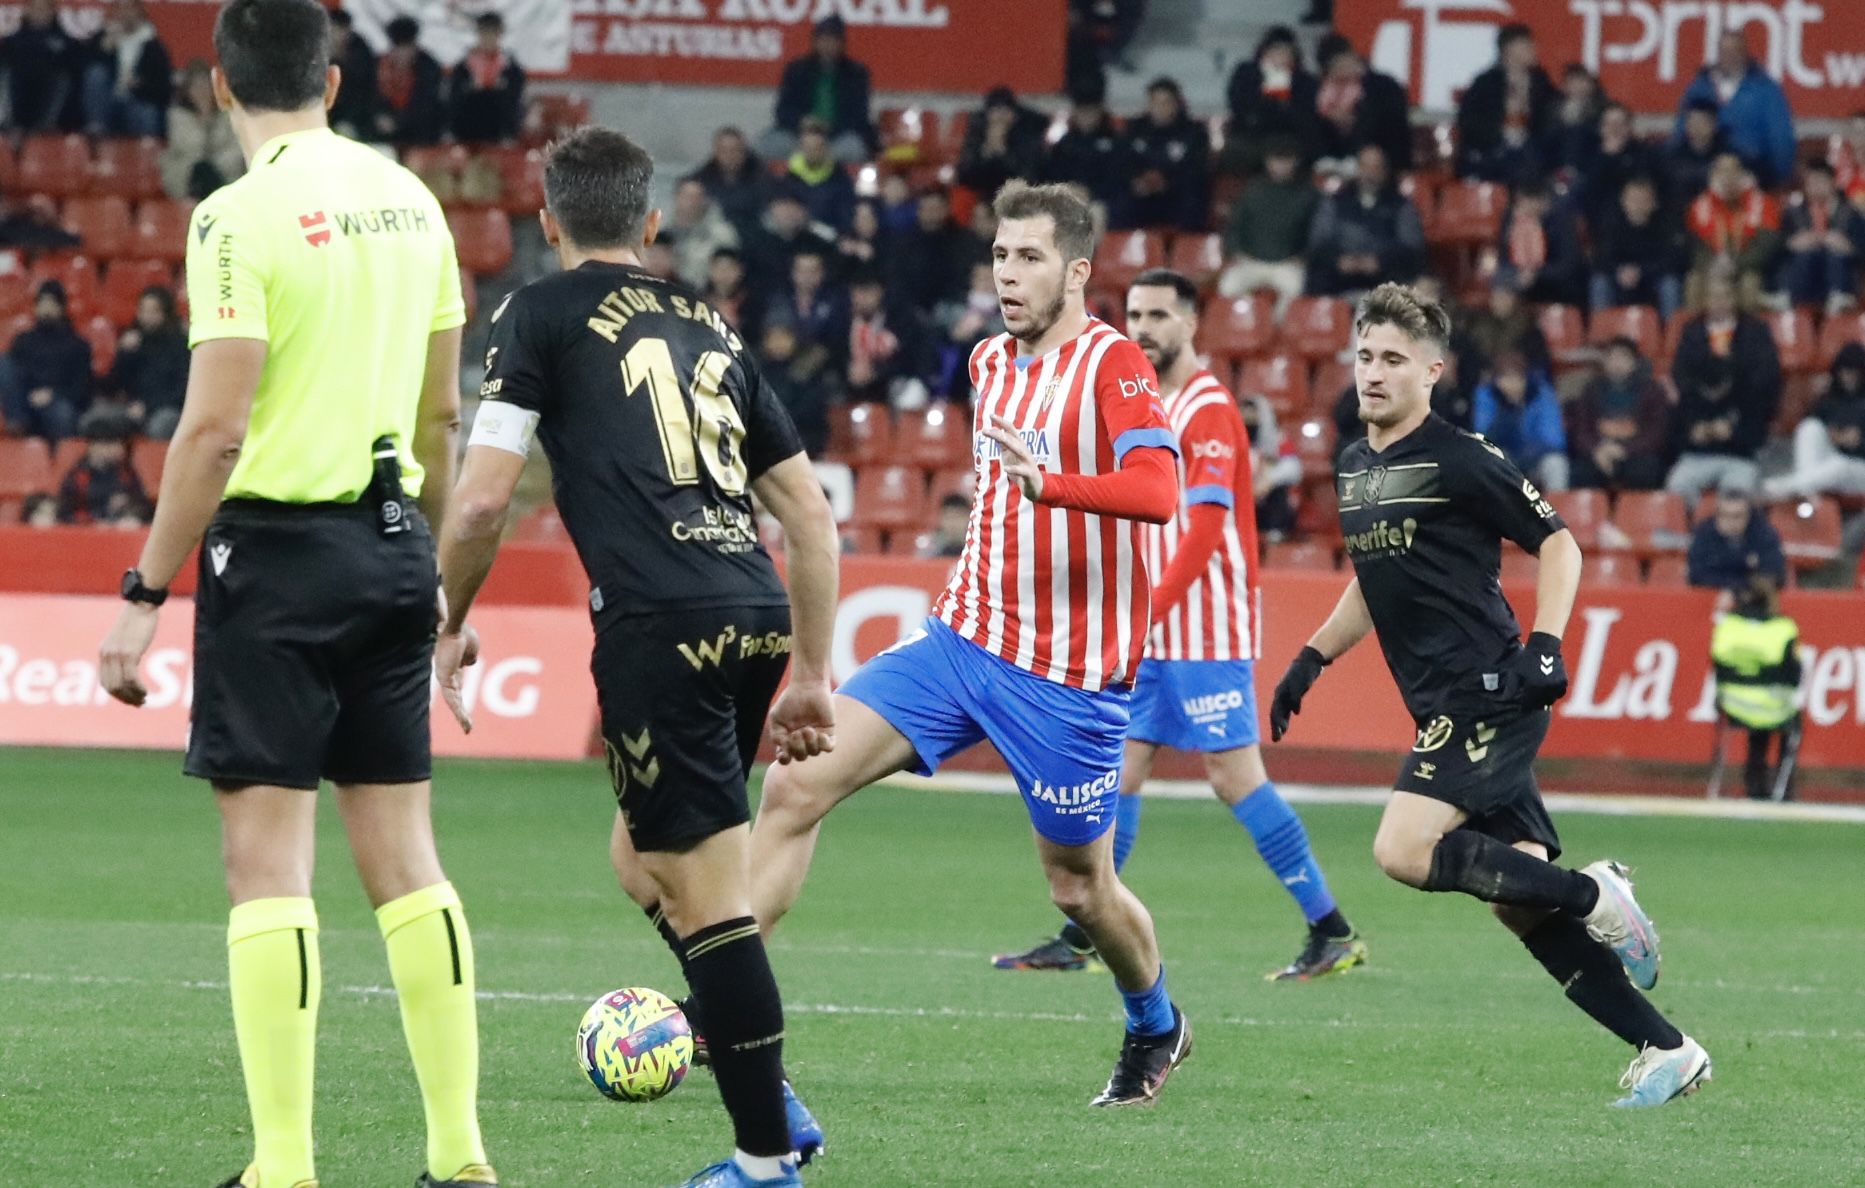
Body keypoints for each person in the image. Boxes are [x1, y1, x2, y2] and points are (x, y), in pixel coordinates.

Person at [91, 4, 492, 1184]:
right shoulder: (412, 200)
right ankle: (459, 1156)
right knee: (406, 859)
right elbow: (439, 416)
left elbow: (214, 432)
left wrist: (143, 591)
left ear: (220, 88)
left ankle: (281, 1166)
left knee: (268, 865)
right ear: (329, 79)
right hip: (390, 546)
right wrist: (436, 578)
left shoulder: (235, 216)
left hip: (274, 559)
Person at [436, 126, 837, 1188]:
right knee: (638, 860)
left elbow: (480, 496)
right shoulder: (708, 320)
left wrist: (448, 614)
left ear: (546, 220)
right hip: (748, 610)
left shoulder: (535, 312)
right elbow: (807, 512)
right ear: (652, 223)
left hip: (661, 624)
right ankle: (770, 1094)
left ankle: (764, 1158)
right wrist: (808, 669)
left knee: (713, 904)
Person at [750, 180, 1194, 1109]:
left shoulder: (1112, 365)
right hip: (960, 644)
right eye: (999, 255)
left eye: (1028, 257)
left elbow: (1157, 493)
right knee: (795, 781)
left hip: (1067, 682)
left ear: (1076, 273)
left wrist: (1055, 488)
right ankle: (726, 1010)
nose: (1007, 273)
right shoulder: (991, 362)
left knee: (1079, 893)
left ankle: (1156, 1021)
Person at [1270, 282, 1712, 1109]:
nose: (1372, 372)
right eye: (1364, 355)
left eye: (1393, 360)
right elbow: (1373, 581)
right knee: (1518, 903)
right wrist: (1310, 658)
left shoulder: (1458, 456)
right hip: (1440, 699)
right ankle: (1667, 1049)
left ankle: (1597, 893)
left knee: (1401, 850)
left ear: (1430, 371)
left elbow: (1559, 544)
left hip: (1485, 691)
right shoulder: (1356, 463)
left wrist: (1542, 647)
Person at [994, 269, 1368, 980]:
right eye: (1134, 313)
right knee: (1120, 772)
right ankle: (1081, 938)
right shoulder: (1145, 405)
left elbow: (1202, 532)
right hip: (1156, 629)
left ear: (1191, 323)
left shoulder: (1207, 409)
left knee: (1231, 778)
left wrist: (1146, 612)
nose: (1143, 327)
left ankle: (1332, 929)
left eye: (1159, 315)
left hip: (1204, 626)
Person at [1666, 269, 1780, 503]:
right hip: (1698, 446)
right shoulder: (1692, 331)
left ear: (1734, 298)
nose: (1719, 302)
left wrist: (1732, 426)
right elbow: (1682, 377)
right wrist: (1698, 426)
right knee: (1677, 487)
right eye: (1713, 296)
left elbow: (1765, 381)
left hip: (1741, 444)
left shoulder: (1755, 331)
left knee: (1736, 493)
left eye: (1725, 296)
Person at [1710, 576, 1802, 801]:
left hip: (1732, 705)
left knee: (1756, 725)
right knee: (1789, 720)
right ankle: (1782, 789)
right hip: (1771, 706)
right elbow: (1794, 676)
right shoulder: (1783, 628)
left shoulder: (1728, 625)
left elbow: (1717, 666)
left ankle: (1754, 783)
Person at [1675, 29, 1796, 189]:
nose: (1729, 56)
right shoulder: (1700, 86)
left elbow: (1781, 139)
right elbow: (1680, 129)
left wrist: (1774, 179)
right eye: (1724, 51)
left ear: (1745, 53)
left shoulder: (1765, 89)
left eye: (1734, 51)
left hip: (1752, 177)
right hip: (1701, 179)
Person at [1304, 143, 1425, 297]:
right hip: (1338, 274)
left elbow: (1412, 246)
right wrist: (1338, 260)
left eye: (1376, 167)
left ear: (1385, 170)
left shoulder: (1401, 205)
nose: (1370, 173)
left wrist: (1379, 261)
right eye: (1366, 166)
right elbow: (1318, 242)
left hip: (1385, 275)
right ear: (1358, 169)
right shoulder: (1335, 201)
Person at [1217, 136, 1317, 316]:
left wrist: (1305, 256)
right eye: (1276, 160)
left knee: (1297, 289)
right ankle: (1248, 326)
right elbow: (1233, 227)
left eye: (1286, 160)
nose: (1281, 165)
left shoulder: (1308, 194)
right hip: (1250, 260)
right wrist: (1235, 252)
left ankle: (1275, 333)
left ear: (1295, 162)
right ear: (1267, 162)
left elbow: (1317, 233)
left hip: (1287, 263)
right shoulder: (1251, 191)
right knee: (1228, 286)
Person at [1455, 23, 1557, 182]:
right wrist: (1499, 133)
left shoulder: (1541, 83)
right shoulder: (1486, 83)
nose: (1533, 49)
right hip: (1492, 152)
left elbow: (1550, 120)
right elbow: (1468, 122)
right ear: (1509, 49)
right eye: (1526, 45)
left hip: (1531, 152)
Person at [1568, 336, 1672, 491]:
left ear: (1635, 362)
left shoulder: (1652, 391)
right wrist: (1597, 450)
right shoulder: (1591, 390)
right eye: (1612, 357)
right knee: (1581, 473)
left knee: (1645, 472)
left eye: (1623, 357)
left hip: (1636, 453)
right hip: (1600, 451)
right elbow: (1581, 430)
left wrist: (1624, 450)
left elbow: (1656, 434)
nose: (1617, 362)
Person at [765, 15, 873, 164]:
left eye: (833, 40)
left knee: (853, 149)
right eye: (823, 40)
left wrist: (828, 126)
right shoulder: (797, 69)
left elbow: (859, 116)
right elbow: (782, 110)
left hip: (837, 138)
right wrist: (802, 122)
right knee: (767, 146)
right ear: (814, 42)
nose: (827, 45)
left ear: (842, 44)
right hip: (797, 136)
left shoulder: (856, 73)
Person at [1764, 342, 1865, 500]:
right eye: (1844, 371)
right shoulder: (1831, 398)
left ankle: (1788, 487)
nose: (1848, 376)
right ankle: (1807, 491)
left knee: (1840, 465)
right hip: (1829, 466)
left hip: (1858, 468)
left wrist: (1859, 442)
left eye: (1853, 372)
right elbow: (1812, 425)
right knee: (1809, 427)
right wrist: (1835, 436)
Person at [1685, 152, 1781, 310]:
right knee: (1693, 281)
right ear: (1713, 175)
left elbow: (1765, 247)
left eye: (1733, 171)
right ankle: (1698, 333)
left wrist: (1735, 265)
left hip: (1747, 268)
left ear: (1742, 174)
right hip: (1712, 268)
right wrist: (1713, 265)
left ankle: (1748, 333)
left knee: (1750, 284)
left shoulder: (1763, 204)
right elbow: (1695, 247)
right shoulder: (1699, 206)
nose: (1727, 177)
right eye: (1722, 171)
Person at [1116, 77, 1210, 232]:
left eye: (1166, 102)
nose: (1160, 107)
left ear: (1177, 104)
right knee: (1120, 204)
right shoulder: (1134, 129)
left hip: (1176, 197)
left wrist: (1167, 183)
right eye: (1155, 102)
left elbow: (1197, 171)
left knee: (1194, 205)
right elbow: (1121, 163)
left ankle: (1184, 253)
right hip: (1142, 196)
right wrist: (1136, 181)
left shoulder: (1194, 133)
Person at [3, 280, 91, 444]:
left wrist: (52, 394)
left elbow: (81, 388)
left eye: (51, 304)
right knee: (4, 363)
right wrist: (28, 395)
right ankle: (17, 424)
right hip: (25, 402)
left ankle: (63, 460)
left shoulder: (78, 345)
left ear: (61, 308)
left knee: (63, 414)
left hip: (57, 402)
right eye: (42, 303)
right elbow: (13, 378)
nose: (46, 309)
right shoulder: (22, 340)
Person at [1589, 175, 1686, 320]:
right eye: (1633, 200)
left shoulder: (1666, 225)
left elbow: (1672, 260)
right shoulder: (1610, 224)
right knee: (1599, 284)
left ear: (1654, 203)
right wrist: (1619, 271)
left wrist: (1642, 272)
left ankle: (1670, 336)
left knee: (1670, 286)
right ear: (1623, 201)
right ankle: (1600, 334)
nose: (1638, 205)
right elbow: (1600, 258)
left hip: (1652, 280)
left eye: (1643, 200)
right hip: (1619, 280)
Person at [1310, 34, 1411, 173]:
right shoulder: (1319, 86)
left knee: (1369, 112)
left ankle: (1357, 158)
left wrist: (1354, 114)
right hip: (1336, 146)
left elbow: (1394, 115)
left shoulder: (1382, 83)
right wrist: (1331, 115)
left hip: (1379, 146)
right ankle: (1325, 157)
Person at [1223, 26, 1317, 174]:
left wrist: (1281, 88)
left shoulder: (1305, 81)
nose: (1279, 56)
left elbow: (1304, 117)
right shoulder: (1246, 72)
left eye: (1285, 51)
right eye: (1274, 50)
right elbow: (1239, 106)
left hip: (1288, 137)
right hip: (1250, 134)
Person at [1472, 350, 1568, 492]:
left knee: (1556, 463)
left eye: (1517, 377)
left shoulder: (1541, 393)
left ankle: (1553, 511)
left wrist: (1526, 458)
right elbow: (1483, 439)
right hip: (1506, 459)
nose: (1512, 383)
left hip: (1536, 459)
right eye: (1505, 378)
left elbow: (1554, 440)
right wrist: (1507, 408)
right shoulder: (1486, 395)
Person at [104, 285, 191, 439]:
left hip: (167, 408)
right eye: (143, 310)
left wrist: (148, 407)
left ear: (166, 313)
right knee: (98, 419)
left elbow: (181, 390)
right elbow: (113, 385)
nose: (147, 316)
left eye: (153, 311)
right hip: (131, 406)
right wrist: (124, 354)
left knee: (159, 425)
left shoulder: (180, 344)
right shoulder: (133, 341)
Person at [1779, 160, 1863, 314]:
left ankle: (1839, 298)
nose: (1816, 186)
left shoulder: (1852, 213)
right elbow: (1778, 250)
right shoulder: (1793, 213)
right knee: (1804, 255)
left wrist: (1849, 247)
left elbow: (1861, 248)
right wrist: (1790, 245)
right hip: (1804, 279)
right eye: (1811, 182)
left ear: (1833, 182)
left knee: (1835, 254)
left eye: (1820, 181)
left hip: (1840, 277)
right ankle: (1793, 302)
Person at [80, 0, 171, 136]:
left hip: (135, 101)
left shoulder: (153, 46)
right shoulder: (104, 37)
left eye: (130, 8)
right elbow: (82, 71)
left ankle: (146, 152)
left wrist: (139, 84)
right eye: (121, 9)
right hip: (107, 101)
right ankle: (96, 131)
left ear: (139, 11)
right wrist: (104, 49)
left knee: (148, 114)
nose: (126, 14)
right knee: (96, 74)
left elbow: (163, 87)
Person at [162, 59, 247, 200]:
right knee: (201, 170)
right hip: (189, 178)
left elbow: (236, 148)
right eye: (196, 86)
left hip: (225, 174)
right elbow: (190, 148)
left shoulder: (228, 114)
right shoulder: (178, 116)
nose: (201, 90)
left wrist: (215, 166)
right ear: (187, 90)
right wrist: (204, 116)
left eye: (205, 85)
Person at [1495, 177, 1586, 306]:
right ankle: (1504, 324)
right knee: (1501, 282)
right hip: (1521, 277)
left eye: (1531, 202)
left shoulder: (1561, 222)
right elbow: (1503, 259)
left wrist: (1536, 273)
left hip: (1555, 284)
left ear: (1544, 202)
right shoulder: (1510, 219)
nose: (1526, 207)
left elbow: (1568, 267)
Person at [1041, 82, 1129, 214]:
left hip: (1103, 202)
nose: (1086, 116)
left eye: (1091, 111)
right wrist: (1070, 189)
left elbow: (1118, 176)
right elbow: (1053, 174)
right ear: (1075, 112)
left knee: (1097, 212)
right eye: (1082, 111)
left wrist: (1091, 192)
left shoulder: (1114, 141)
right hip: (1067, 201)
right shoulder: (1065, 143)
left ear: (1099, 112)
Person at [1687, 477, 1786, 593]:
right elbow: (1696, 575)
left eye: (1737, 516)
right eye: (1725, 515)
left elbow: (1774, 574)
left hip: (1754, 602)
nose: (1731, 521)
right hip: (1709, 600)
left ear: (1748, 516)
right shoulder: (1704, 533)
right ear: (1717, 514)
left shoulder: (1764, 533)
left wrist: (1735, 592)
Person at [1, 0, 82, 132]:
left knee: (62, 80)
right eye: (36, 8)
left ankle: (45, 127)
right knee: (8, 74)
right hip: (20, 97)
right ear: (27, 10)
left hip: (53, 103)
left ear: (53, 11)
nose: (40, 13)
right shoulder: (11, 42)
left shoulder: (67, 42)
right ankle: (10, 123)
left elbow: (74, 71)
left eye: (44, 9)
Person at [955, 86, 1048, 200]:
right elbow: (963, 176)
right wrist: (986, 154)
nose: (1000, 117)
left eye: (1005, 112)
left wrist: (1003, 154)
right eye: (996, 111)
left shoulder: (1028, 137)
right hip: (982, 200)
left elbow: (1029, 178)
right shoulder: (976, 136)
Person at [55, 414, 149, 526]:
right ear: (94, 446)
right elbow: (64, 513)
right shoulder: (78, 476)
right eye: (111, 444)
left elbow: (143, 506)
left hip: (120, 532)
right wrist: (91, 522)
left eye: (119, 444)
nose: (118, 449)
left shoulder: (126, 472)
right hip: (87, 535)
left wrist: (129, 510)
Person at [447, 12, 524, 144]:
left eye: (493, 33)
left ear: (500, 35)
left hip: (499, 134)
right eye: (484, 33)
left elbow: (515, 101)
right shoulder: (464, 68)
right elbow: (454, 101)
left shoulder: (511, 69)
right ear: (478, 34)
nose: (488, 38)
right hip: (467, 134)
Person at [1581, 102, 1655, 233]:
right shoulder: (1589, 154)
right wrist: (1607, 157)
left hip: (1639, 222)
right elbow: (1588, 191)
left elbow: (1642, 184)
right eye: (1609, 124)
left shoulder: (1643, 153)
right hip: (1601, 224)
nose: (1614, 129)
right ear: (1601, 128)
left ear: (1629, 127)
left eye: (1620, 124)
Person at [688, 127, 773, 239]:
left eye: (735, 150)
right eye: (724, 150)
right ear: (715, 151)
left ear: (744, 151)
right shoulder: (701, 179)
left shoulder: (763, 177)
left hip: (755, 233)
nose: (729, 156)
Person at [374, 15, 444, 146]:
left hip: (421, 135)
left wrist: (397, 122)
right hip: (384, 134)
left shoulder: (429, 67)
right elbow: (371, 99)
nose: (403, 54)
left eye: (407, 48)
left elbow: (427, 106)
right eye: (398, 48)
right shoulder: (380, 66)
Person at [781, 117, 856, 233]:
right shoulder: (790, 177)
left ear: (826, 148)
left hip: (829, 238)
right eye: (808, 148)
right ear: (801, 148)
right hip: (796, 238)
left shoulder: (840, 178)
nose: (812, 153)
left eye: (817, 148)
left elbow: (845, 216)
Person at [667, 179, 742, 291]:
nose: (692, 202)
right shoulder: (657, 229)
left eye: (697, 197)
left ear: (706, 200)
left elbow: (730, 269)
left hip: (707, 297)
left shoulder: (722, 234)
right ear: (676, 197)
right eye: (687, 196)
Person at [1663, 99, 1726, 216]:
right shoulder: (1669, 155)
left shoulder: (1727, 155)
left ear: (1714, 125)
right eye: (1692, 121)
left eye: (1702, 122)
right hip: (1679, 219)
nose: (1697, 127)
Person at [326, 7, 378, 140]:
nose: (337, 35)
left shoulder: (361, 54)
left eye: (341, 30)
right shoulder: (314, 53)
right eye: (333, 30)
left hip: (355, 118)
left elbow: (366, 91)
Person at [920, 491, 970, 558]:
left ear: (968, 518)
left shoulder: (978, 545)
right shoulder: (930, 547)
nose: (954, 523)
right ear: (940, 519)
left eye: (959, 517)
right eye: (949, 518)